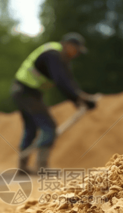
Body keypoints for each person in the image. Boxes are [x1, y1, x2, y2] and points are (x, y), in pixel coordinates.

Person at [11, 32, 97, 174]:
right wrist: (78, 100)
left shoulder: (59, 56)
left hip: (24, 91)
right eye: (77, 50)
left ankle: (22, 167)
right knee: (49, 126)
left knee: (31, 127)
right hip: (26, 92)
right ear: (69, 45)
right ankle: (41, 168)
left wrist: (79, 99)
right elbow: (62, 82)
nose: (77, 54)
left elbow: (70, 82)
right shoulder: (54, 55)